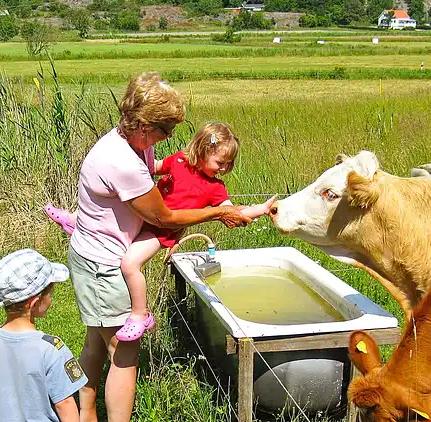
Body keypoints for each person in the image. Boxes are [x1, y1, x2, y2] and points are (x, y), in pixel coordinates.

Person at [54, 71, 252, 422]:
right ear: (144, 125)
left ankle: (84, 415)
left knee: (96, 345)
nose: (170, 137)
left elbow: (157, 175)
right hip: (104, 265)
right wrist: (218, 212)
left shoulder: (130, 144)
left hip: (94, 255)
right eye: (165, 130)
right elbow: (164, 218)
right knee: (123, 353)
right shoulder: (123, 162)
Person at [46, 122, 276, 342]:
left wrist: (261, 210)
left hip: (161, 231)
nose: (224, 169)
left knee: (129, 264)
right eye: (220, 162)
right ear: (201, 150)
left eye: (229, 164)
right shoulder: (178, 160)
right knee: (120, 205)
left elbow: (233, 211)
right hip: (148, 213)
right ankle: (77, 220)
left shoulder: (216, 188)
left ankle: (140, 314)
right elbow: (153, 167)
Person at [0, 248, 87, 422]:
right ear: (35, 303)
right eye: (50, 294)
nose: (51, 299)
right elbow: (64, 403)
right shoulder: (51, 348)